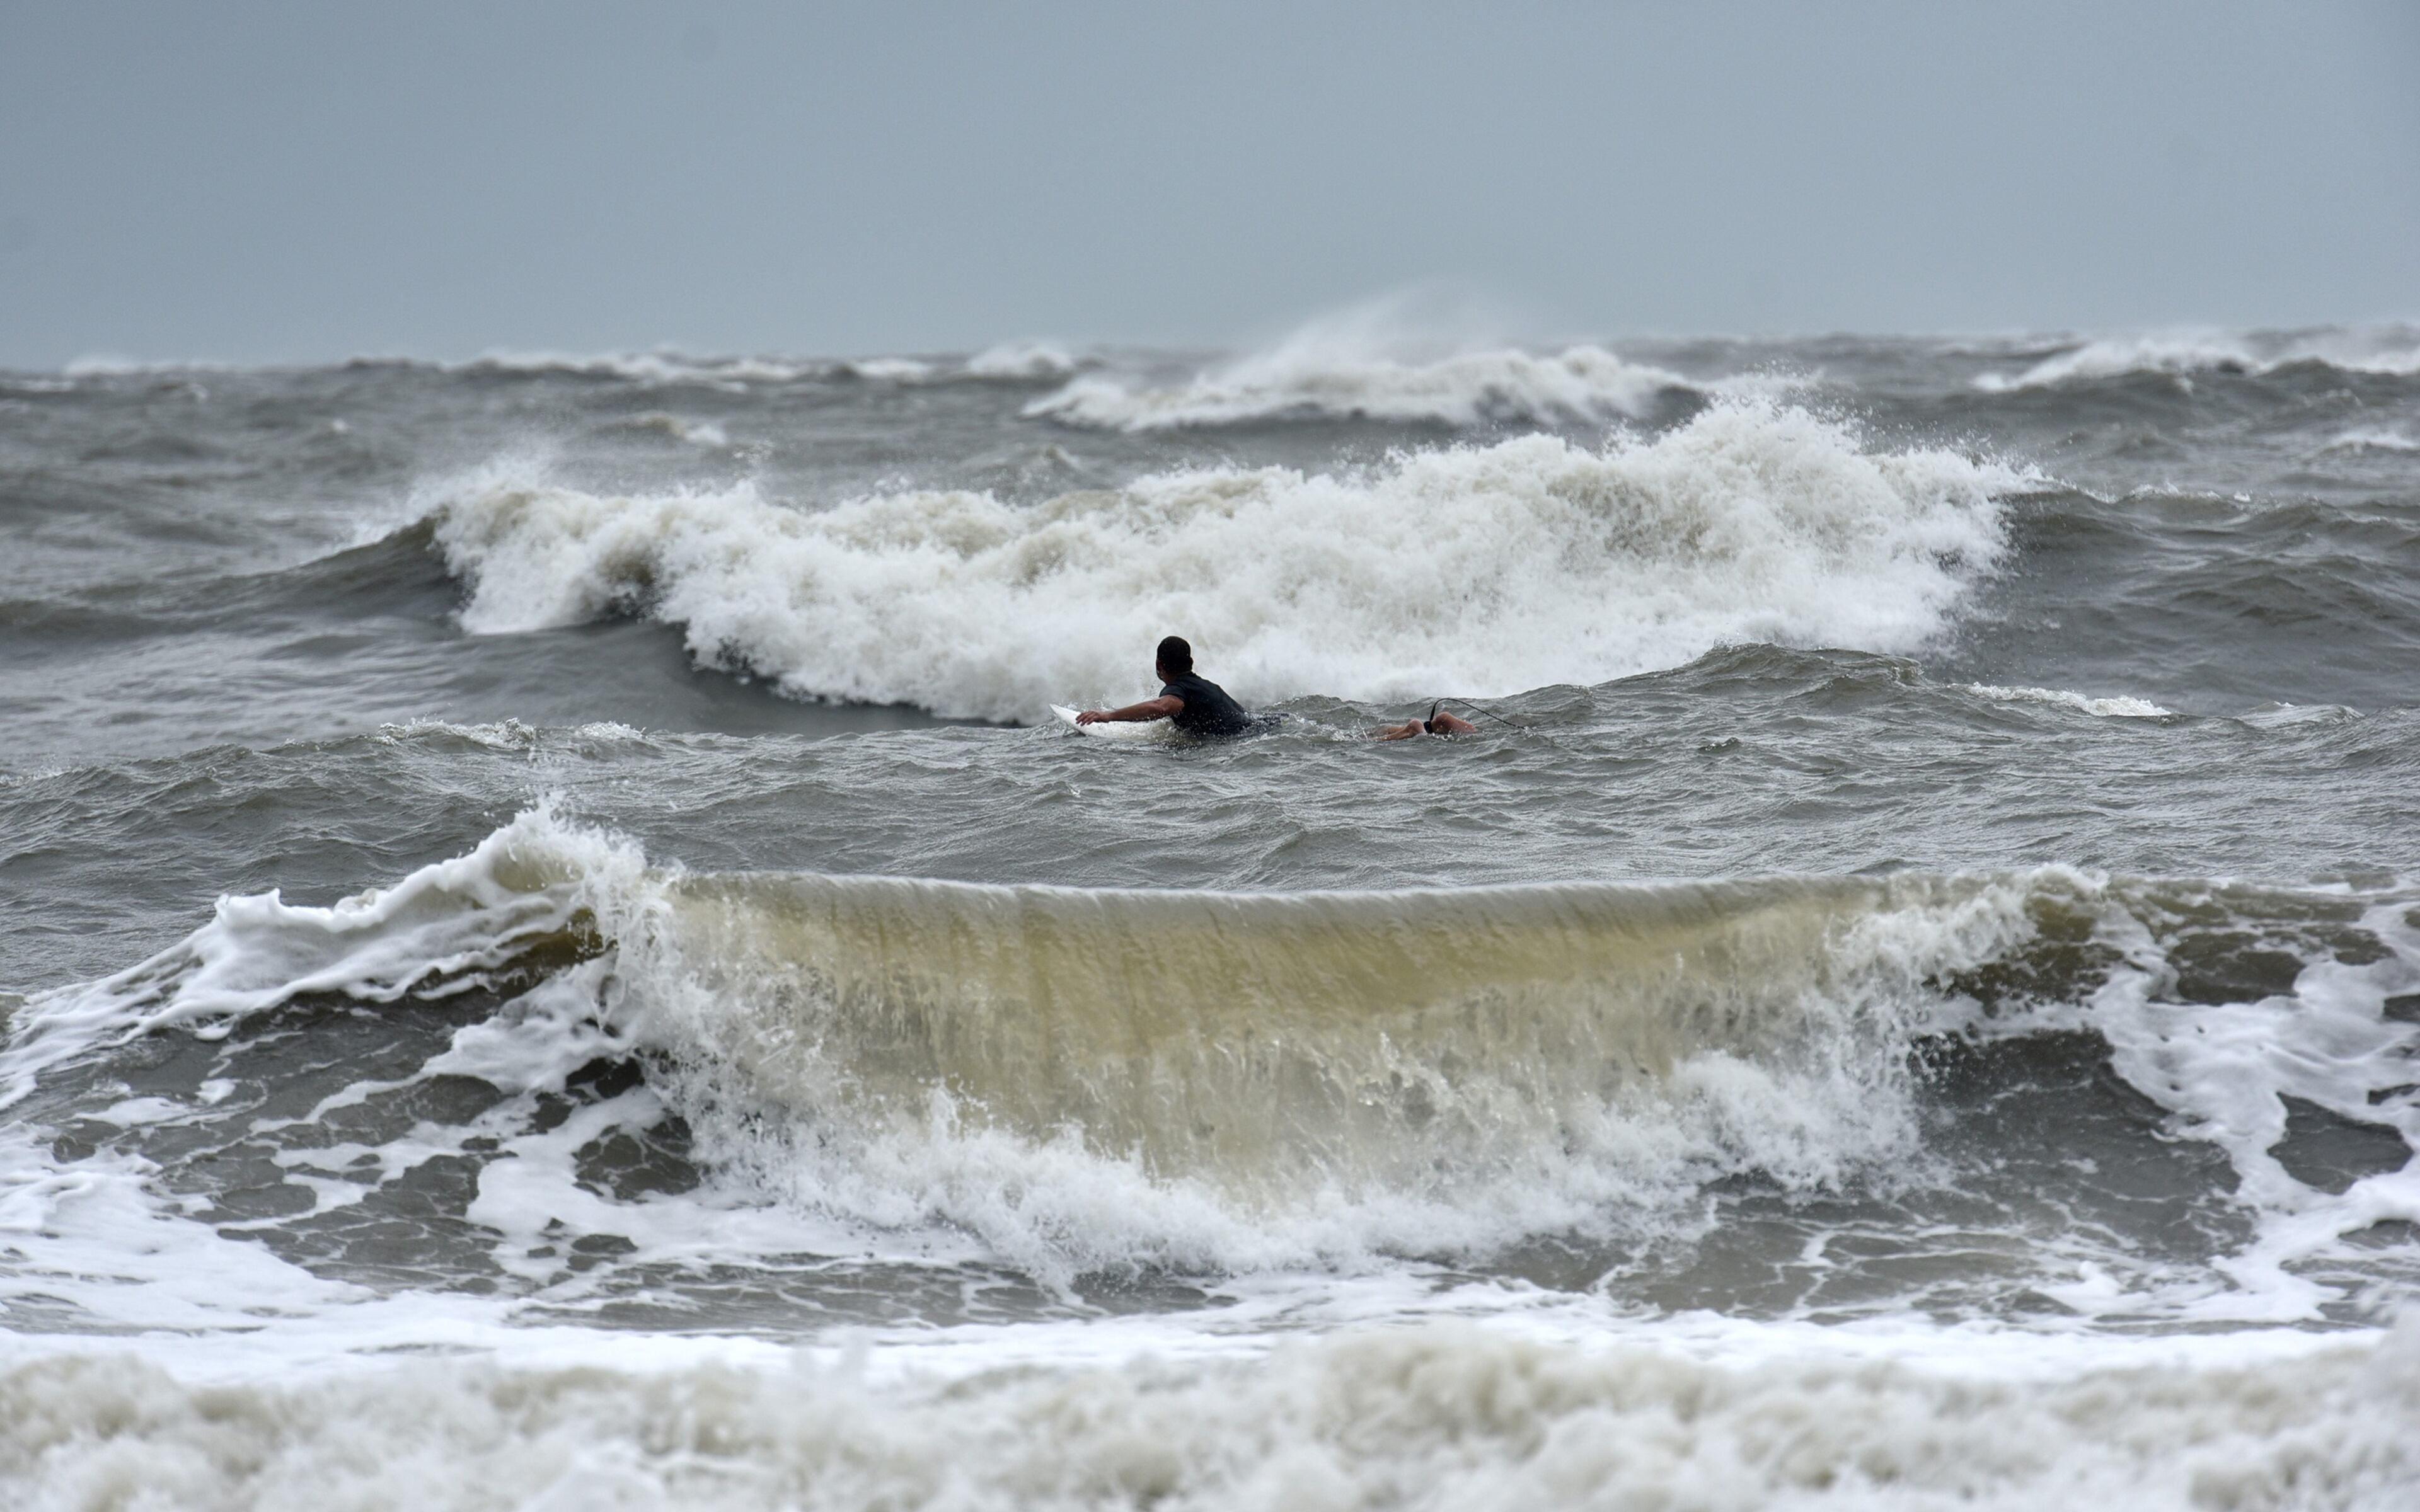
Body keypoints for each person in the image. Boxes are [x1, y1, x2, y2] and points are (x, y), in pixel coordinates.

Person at [1076, 636, 1255, 736]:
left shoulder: (1179, 690)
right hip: (1259, 727)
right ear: (1191, 662)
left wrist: (1108, 716)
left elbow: (1162, 707)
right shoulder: (1207, 686)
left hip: (1243, 739)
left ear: (1159, 665)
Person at [1371, 702, 1478, 740]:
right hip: (1429, 729)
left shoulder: (1383, 730)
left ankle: (1424, 736)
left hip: (1425, 729)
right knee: (1443, 718)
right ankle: (1424, 736)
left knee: (1415, 726)